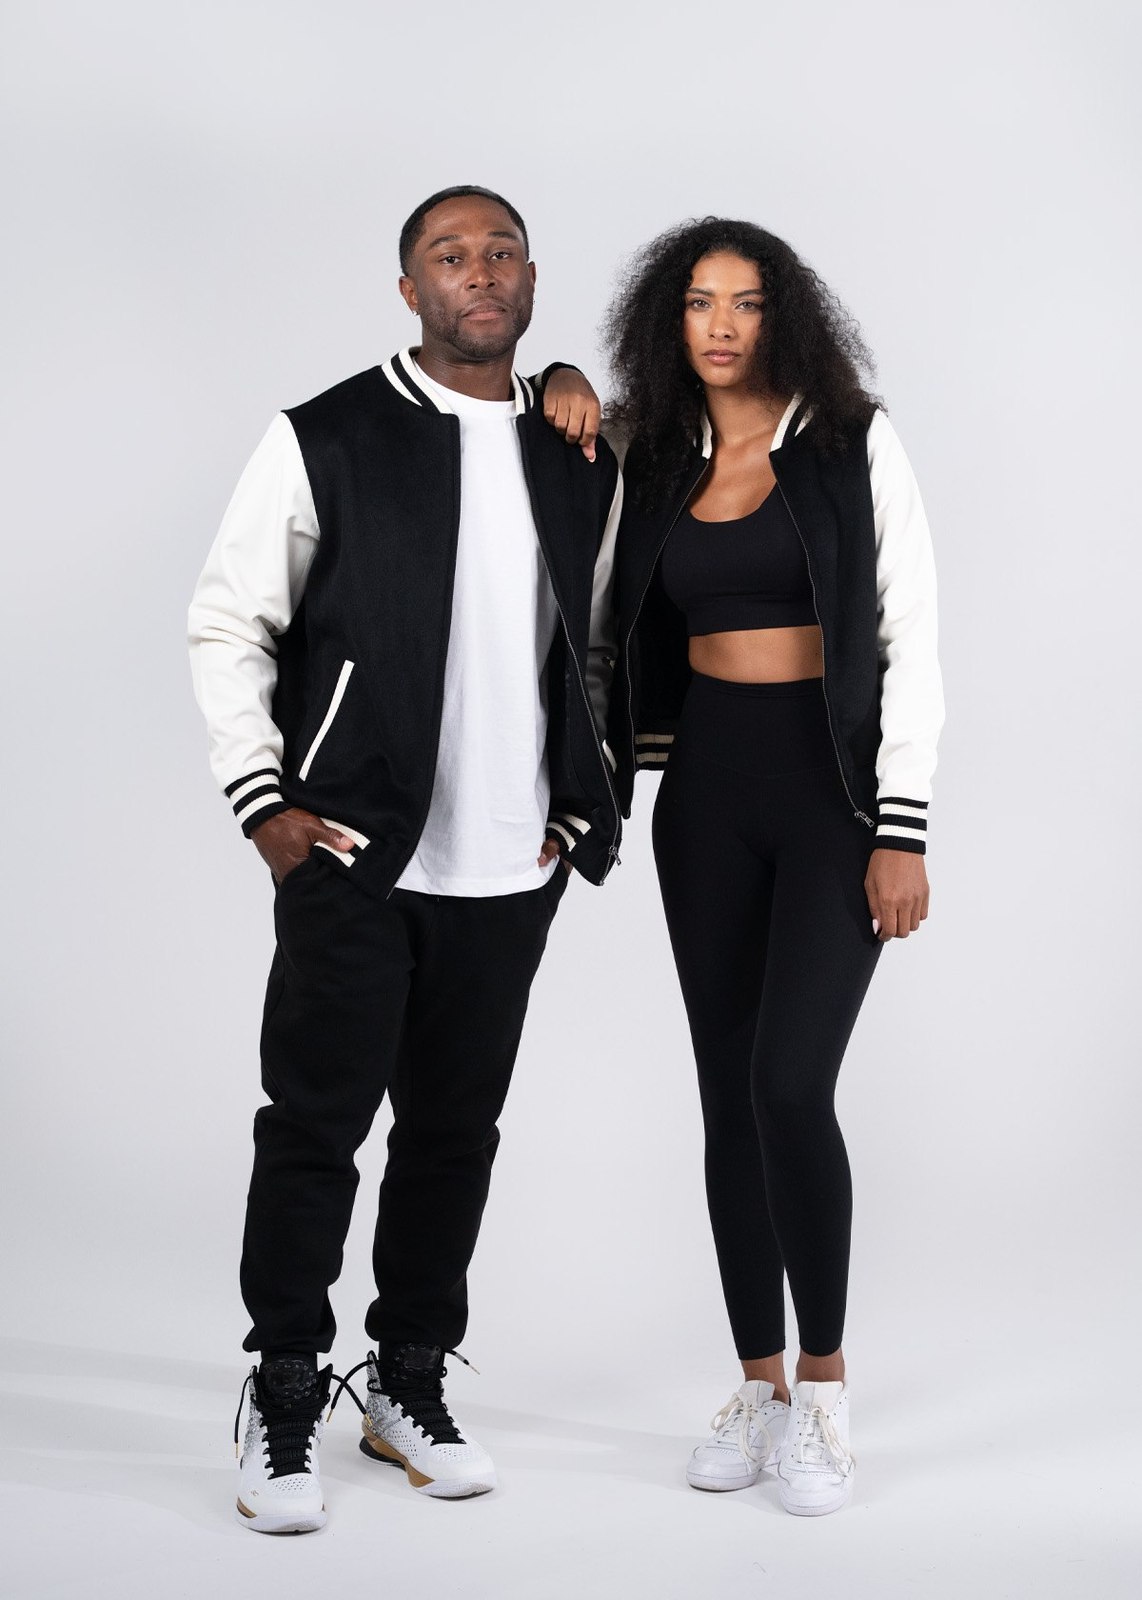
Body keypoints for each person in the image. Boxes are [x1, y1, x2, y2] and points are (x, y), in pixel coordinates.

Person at [189, 185, 621, 1533]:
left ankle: (406, 1380)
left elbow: (612, 630)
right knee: (314, 1127)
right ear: (409, 289)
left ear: (531, 278)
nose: (477, 273)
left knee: (452, 1136)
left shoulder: (579, 446)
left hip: (509, 862)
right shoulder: (326, 434)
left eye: (500, 253)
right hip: (355, 848)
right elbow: (229, 621)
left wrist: (578, 804)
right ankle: (282, 1385)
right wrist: (265, 802)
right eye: (449, 256)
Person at [603, 218, 943, 1516]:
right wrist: (564, 386)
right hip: (703, 801)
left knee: (789, 1086)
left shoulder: (851, 440)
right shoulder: (652, 456)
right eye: (699, 302)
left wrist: (901, 827)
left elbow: (911, 632)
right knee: (726, 1095)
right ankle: (756, 1385)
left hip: (831, 801)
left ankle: (827, 1389)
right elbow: (592, 603)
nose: (722, 325)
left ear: (781, 316)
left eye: (745, 302)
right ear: (669, 320)